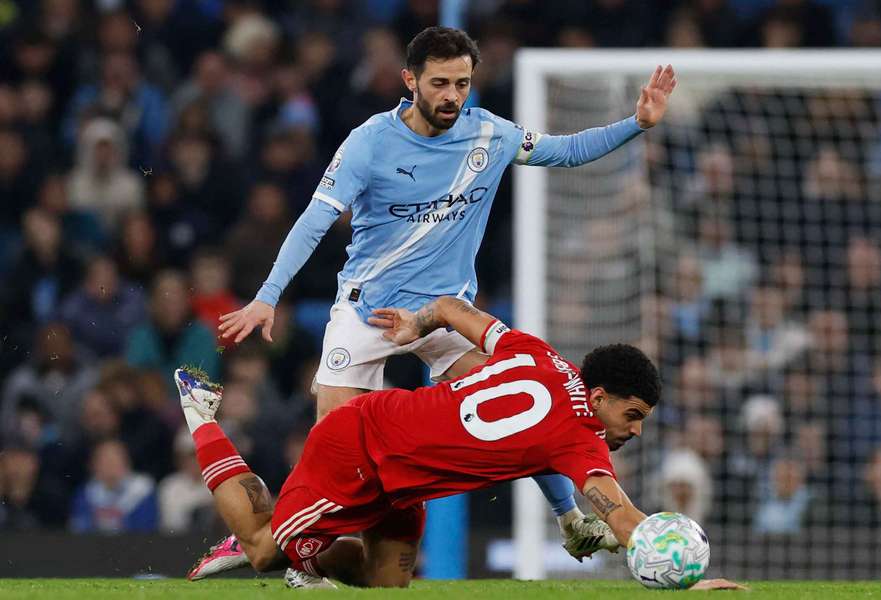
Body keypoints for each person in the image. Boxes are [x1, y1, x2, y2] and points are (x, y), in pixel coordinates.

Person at [218, 25, 677, 559]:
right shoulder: (370, 142)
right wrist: (267, 295)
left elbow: (565, 152)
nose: (452, 96)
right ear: (410, 80)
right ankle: (290, 544)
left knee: (539, 404)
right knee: (334, 451)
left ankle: (570, 519)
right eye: (440, 83)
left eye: (462, 83)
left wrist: (637, 124)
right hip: (370, 311)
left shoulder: (490, 135)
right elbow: (316, 219)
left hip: (446, 314)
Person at [178, 296, 743, 590]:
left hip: (403, 478)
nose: (635, 429)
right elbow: (619, 514)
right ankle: (201, 415)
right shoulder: (582, 438)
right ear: (598, 397)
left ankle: (301, 548)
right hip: (362, 449)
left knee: (386, 583)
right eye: (633, 414)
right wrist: (679, 576)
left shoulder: (536, 352)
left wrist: (415, 326)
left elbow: (450, 308)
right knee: (261, 546)